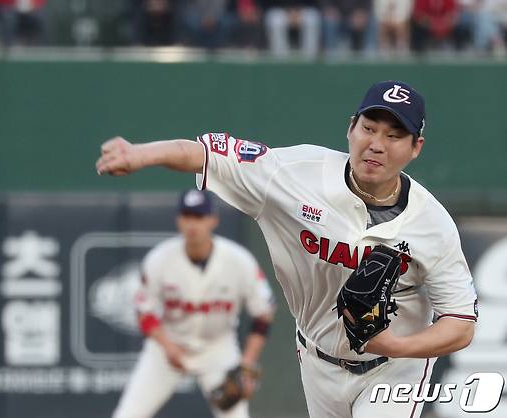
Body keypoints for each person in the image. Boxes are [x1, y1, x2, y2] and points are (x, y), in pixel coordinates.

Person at [97, 80, 478, 418]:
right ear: (350, 128)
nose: (376, 144)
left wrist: (398, 346)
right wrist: (143, 154)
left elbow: (460, 323)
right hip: (317, 357)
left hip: (393, 368)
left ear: (416, 148)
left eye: (395, 135)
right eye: (368, 128)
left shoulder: (433, 224)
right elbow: (208, 153)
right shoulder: (293, 174)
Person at [112, 189, 275, 418]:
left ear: (213, 219)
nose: (192, 225)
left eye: (199, 216)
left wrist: (246, 364)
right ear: (179, 219)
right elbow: (144, 312)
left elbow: (264, 313)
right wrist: (168, 347)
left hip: (217, 349)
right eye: (187, 216)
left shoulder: (239, 261)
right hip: (167, 347)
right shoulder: (160, 259)